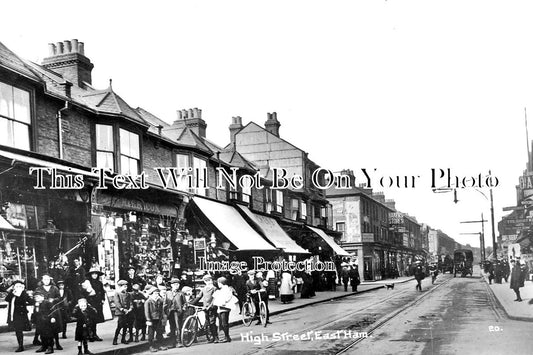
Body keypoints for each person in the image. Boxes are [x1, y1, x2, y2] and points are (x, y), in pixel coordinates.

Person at [35, 274, 63, 351]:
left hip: (53, 310)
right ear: (42, 280)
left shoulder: (54, 288)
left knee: (54, 328)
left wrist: (53, 300)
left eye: (48, 279)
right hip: (42, 311)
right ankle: (44, 346)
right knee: (43, 328)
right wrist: (38, 300)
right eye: (44, 279)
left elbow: (59, 298)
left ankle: (56, 344)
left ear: (50, 280)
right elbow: (36, 298)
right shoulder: (38, 289)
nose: (46, 281)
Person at [6, 280, 33, 352]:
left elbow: (30, 301)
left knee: (19, 330)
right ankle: (20, 345)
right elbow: (7, 299)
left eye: (19, 286)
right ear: (14, 287)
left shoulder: (23, 293)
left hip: (21, 314)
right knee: (17, 330)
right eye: (16, 286)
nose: (18, 288)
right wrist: (12, 292)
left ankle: (21, 346)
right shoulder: (12, 293)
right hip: (13, 314)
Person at [192, 274, 219, 342]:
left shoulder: (214, 288)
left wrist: (210, 306)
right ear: (204, 282)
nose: (208, 282)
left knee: (212, 322)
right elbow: (198, 297)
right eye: (206, 281)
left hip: (212, 307)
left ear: (212, 280)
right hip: (205, 308)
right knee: (208, 322)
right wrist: (191, 304)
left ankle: (215, 337)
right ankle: (211, 337)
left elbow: (215, 298)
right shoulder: (204, 289)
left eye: (209, 280)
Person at [84, 268, 106, 341]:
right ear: (90, 275)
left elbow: (102, 292)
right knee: (89, 319)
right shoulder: (87, 283)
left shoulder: (99, 283)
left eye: (96, 274)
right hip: (91, 303)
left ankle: (94, 334)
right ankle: (89, 335)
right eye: (93, 274)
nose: (94, 275)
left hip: (98, 303)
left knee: (95, 320)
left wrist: (103, 299)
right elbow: (84, 293)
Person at [144, 285, 167, 352]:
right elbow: (147, 312)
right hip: (151, 319)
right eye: (155, 294)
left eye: (157, 294)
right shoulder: (148, 302)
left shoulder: (160, 300)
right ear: (151, 294)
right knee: (151, 334)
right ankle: (151, 346)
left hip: (158, 319)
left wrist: (162, 317)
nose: (156, 295)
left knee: (159, 333)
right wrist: (148, 320)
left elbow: (161, 310)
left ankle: (160, 345)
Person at [213, 277, 235, 343]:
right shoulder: (222, 289)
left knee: (224, 323)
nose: (218, 284)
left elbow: (229, 296)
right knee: (223, 323)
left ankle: (227, 337)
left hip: (224, 307)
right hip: (221, 308)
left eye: (218, 283)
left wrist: (224, 301)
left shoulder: (226, 289)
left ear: (221, 283)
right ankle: (226, 336)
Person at [165, 278, 186, 348]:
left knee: (178, 327)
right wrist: (165, 311)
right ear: (171, 285)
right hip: (170, 312)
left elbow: (185, 303)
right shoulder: (168, 293)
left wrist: (182, 309)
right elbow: (165, 303)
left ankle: (179, 342)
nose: (176, 286)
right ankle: (172, 342)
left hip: (178, 312)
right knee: (172, 327)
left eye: (177, 284)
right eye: (174, 284)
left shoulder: (181, 293)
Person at [113, 280, 133, 345]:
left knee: (125, 326)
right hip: (121, 312)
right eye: (124, 286)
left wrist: (130, 308)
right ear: (120, 287)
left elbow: (130, 302)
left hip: (127, 312)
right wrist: (122, 309)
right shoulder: (117, 293)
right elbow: (117, 302)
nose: (125, 288)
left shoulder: (128, 294)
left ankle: (123, 339)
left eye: (126, 286)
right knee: (119, 326)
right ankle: (115, 339)